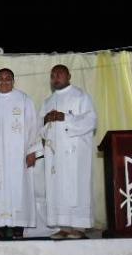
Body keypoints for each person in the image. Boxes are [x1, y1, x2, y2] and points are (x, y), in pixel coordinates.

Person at [0, 68, 41, 240]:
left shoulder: (24, 100)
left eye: (8, 78)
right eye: (0, 78)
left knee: (18, 188)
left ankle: (18, 226)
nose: (4, 81)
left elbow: (33, 126)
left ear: (13, 81)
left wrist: (32, 150)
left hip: (18, 154)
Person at [40, 64, 97, 239]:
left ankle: (79, 228)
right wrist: (45, 121)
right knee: (58, 189)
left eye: (59, 74)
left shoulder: (80, 96)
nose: (55, 77)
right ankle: (64, 226)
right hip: (55, 155)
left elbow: (91, 121)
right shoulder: (48, 101)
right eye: (53, 75)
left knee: (75, 188)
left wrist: (66, 118)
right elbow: (40, 129)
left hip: (75, 154)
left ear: (69, 76)